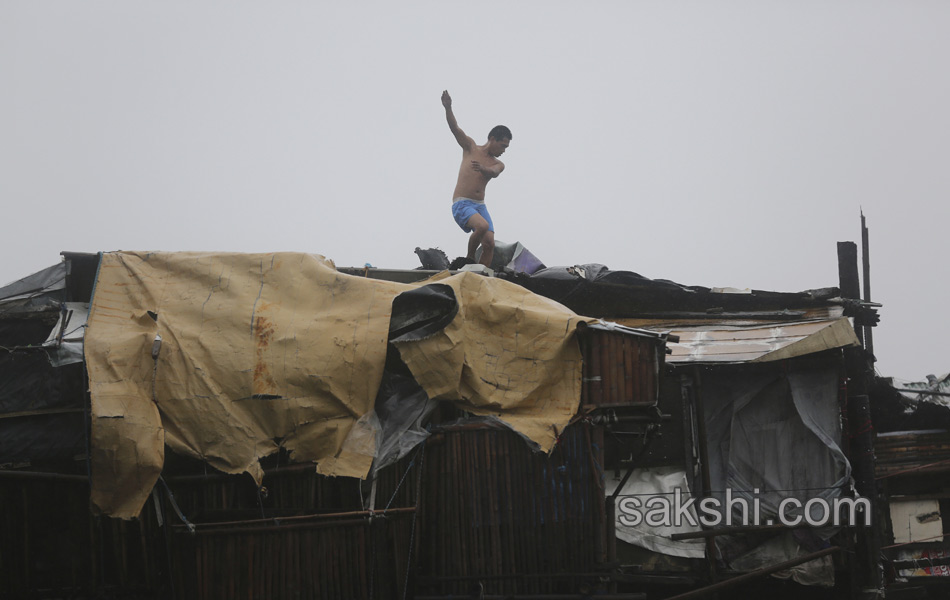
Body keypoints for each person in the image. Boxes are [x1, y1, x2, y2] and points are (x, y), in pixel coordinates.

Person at [442, 90, 511, 268]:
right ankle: (470, 259)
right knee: (481, 227)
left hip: (480, 206)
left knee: (489, 244)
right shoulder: (471, 148)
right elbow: (455, 129)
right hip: (462, 204)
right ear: (493, 139)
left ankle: (482, 275)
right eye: (503, 145)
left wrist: (483, 169)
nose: (504, 150)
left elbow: (495, 172)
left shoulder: (498, 163)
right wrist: (448, 108)